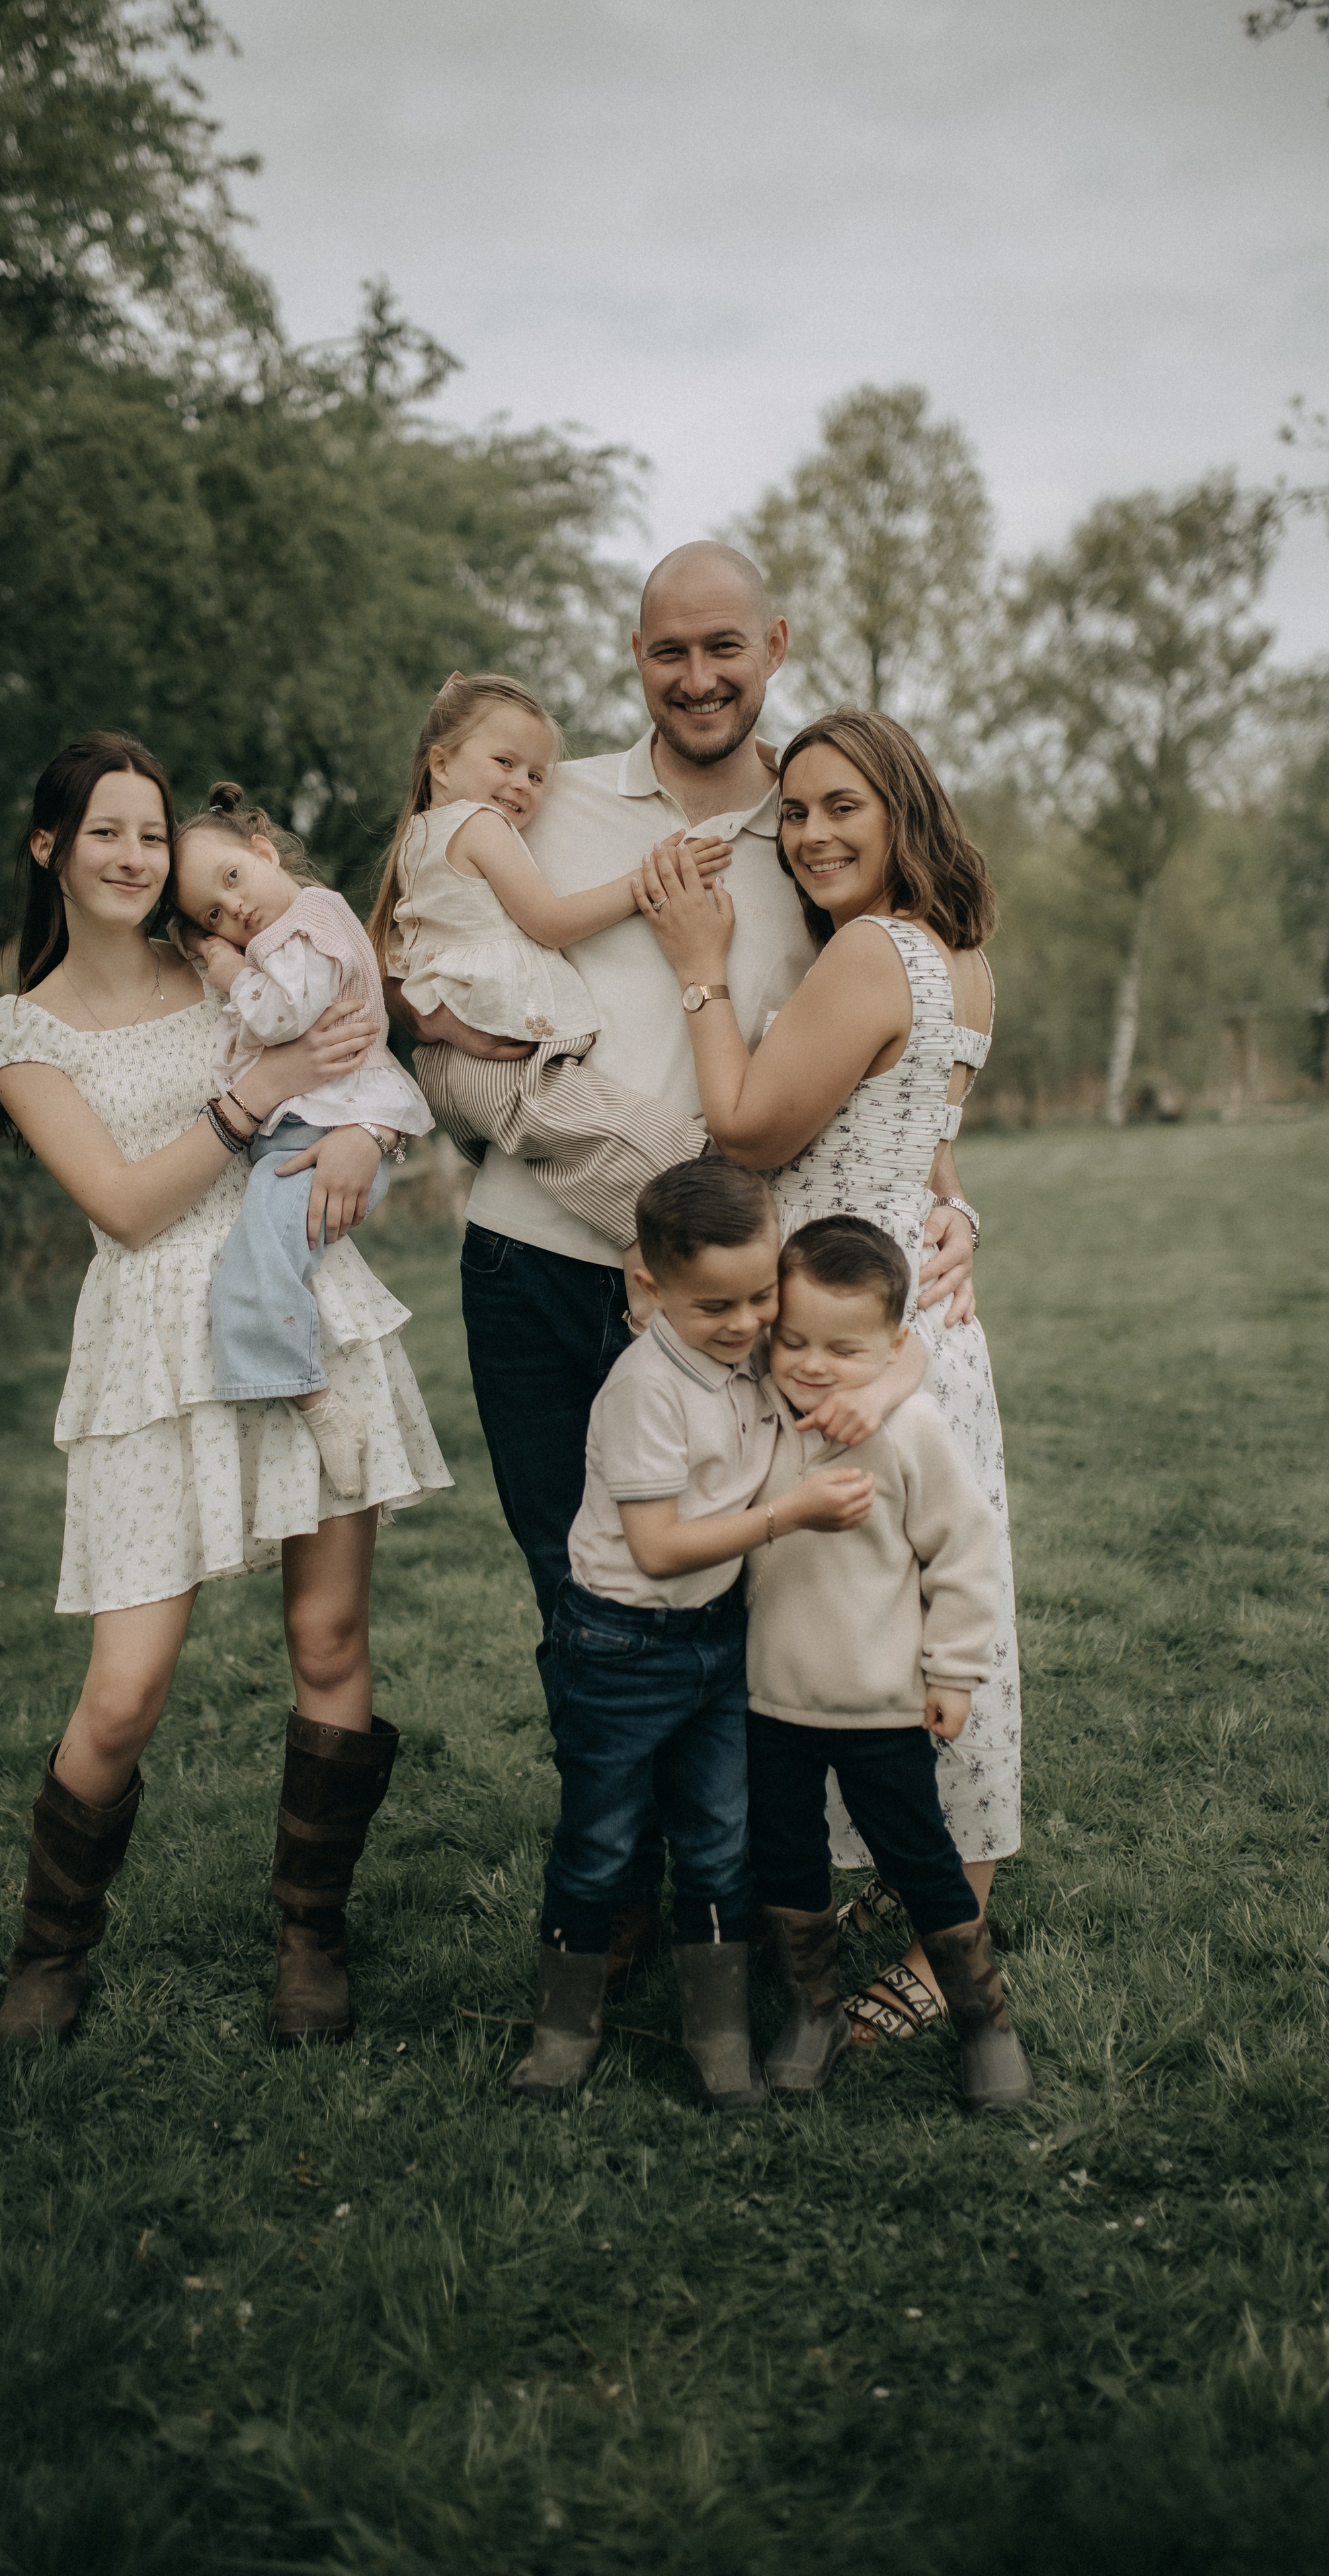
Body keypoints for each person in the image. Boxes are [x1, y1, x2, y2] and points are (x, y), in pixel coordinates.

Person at [386, 547, 976, 1985]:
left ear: (773, 643)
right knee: (576, 1590)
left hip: (724, 1306)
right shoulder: (544, 799)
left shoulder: (822, 835)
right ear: (633, 654)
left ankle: (735, 1896)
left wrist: (950, 1197)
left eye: (726, 648)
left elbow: (884, 1055)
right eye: (669, 653)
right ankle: (619, 1902)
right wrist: (435, 1056)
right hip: (534, 1264)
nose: (698, 678)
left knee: (741, 1585)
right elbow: (414, 976)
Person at [0, 733, 450, 2053]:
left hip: (301, 1295)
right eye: (105, 834)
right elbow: (123, 1207)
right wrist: (261, 1094)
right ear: (49, 850)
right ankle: (50, 1950)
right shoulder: (19, 1031)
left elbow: (358, 1061)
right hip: (146, 1350)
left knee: (330, 1642)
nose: (132, 858)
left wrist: (353, 1125)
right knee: (124, 1691)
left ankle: (311, 1939)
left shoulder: (233, 959)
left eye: (149, 835)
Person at [639, 704, 1020, 2046]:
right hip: (903, 1340)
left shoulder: (867, 952)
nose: (806, 833)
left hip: (865, 1361)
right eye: (791, 810)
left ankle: (944, 1953)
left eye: (838, 805)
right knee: (886, 1622)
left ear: (901, 808)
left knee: (893, 1630)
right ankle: (910, 1889)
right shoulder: (954, 958)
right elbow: (924, 1149)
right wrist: (958, 1222)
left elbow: (743, 1130)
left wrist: (695, 967)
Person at [509, 1161, 877, 2114]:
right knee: (600, 1840)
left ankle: (717, 2035)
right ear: (650, 1287)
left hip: (718, 1644)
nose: (750, 1323)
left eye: (763, 1296)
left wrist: (879, 1386)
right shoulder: (646, 1391)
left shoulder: (748, 1349)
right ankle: (565, 2029)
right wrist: (786, 1514)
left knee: (720, 1842)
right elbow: (660, 1546)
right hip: (621, 1646)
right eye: (717, 1306)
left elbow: (891, 1346)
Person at [743, 1216, 1034, 2114]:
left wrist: (950, 1674)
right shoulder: (751, 1420)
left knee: (920, 1856)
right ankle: (811, 2009)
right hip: (771, 1703)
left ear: (897, 1347)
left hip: (882, 1708)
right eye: (792, 1340)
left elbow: (963, 1555)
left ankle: (984, 2020)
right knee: (784, 1856)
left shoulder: (910, 1432)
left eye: (844, 1347)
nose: (813, 1364)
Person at [366, 671, 730, 1249]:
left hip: (453, 1060)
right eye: (505, 762)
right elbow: (550, 921)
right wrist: (648, 881)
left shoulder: (418, 837)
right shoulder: (480, 825)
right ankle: (703, 1179)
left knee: (573, 1162)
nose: (522, 784)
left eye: (536, 774)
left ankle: (647, 1263)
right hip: (499, 1057)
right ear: (441, 764)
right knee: (622, 1141)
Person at [172, 782, 434, 1503]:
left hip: (331, 1127)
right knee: (264, 1257)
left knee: (254, 1264)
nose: (236, 911)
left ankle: (319, 1406)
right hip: (314, 1127)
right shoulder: (283, 936)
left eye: (233, 880)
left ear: (263, 851)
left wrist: (229, 974)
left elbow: (286, 1017)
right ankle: (303, 1393)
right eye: (213, 915)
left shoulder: (310, 922)